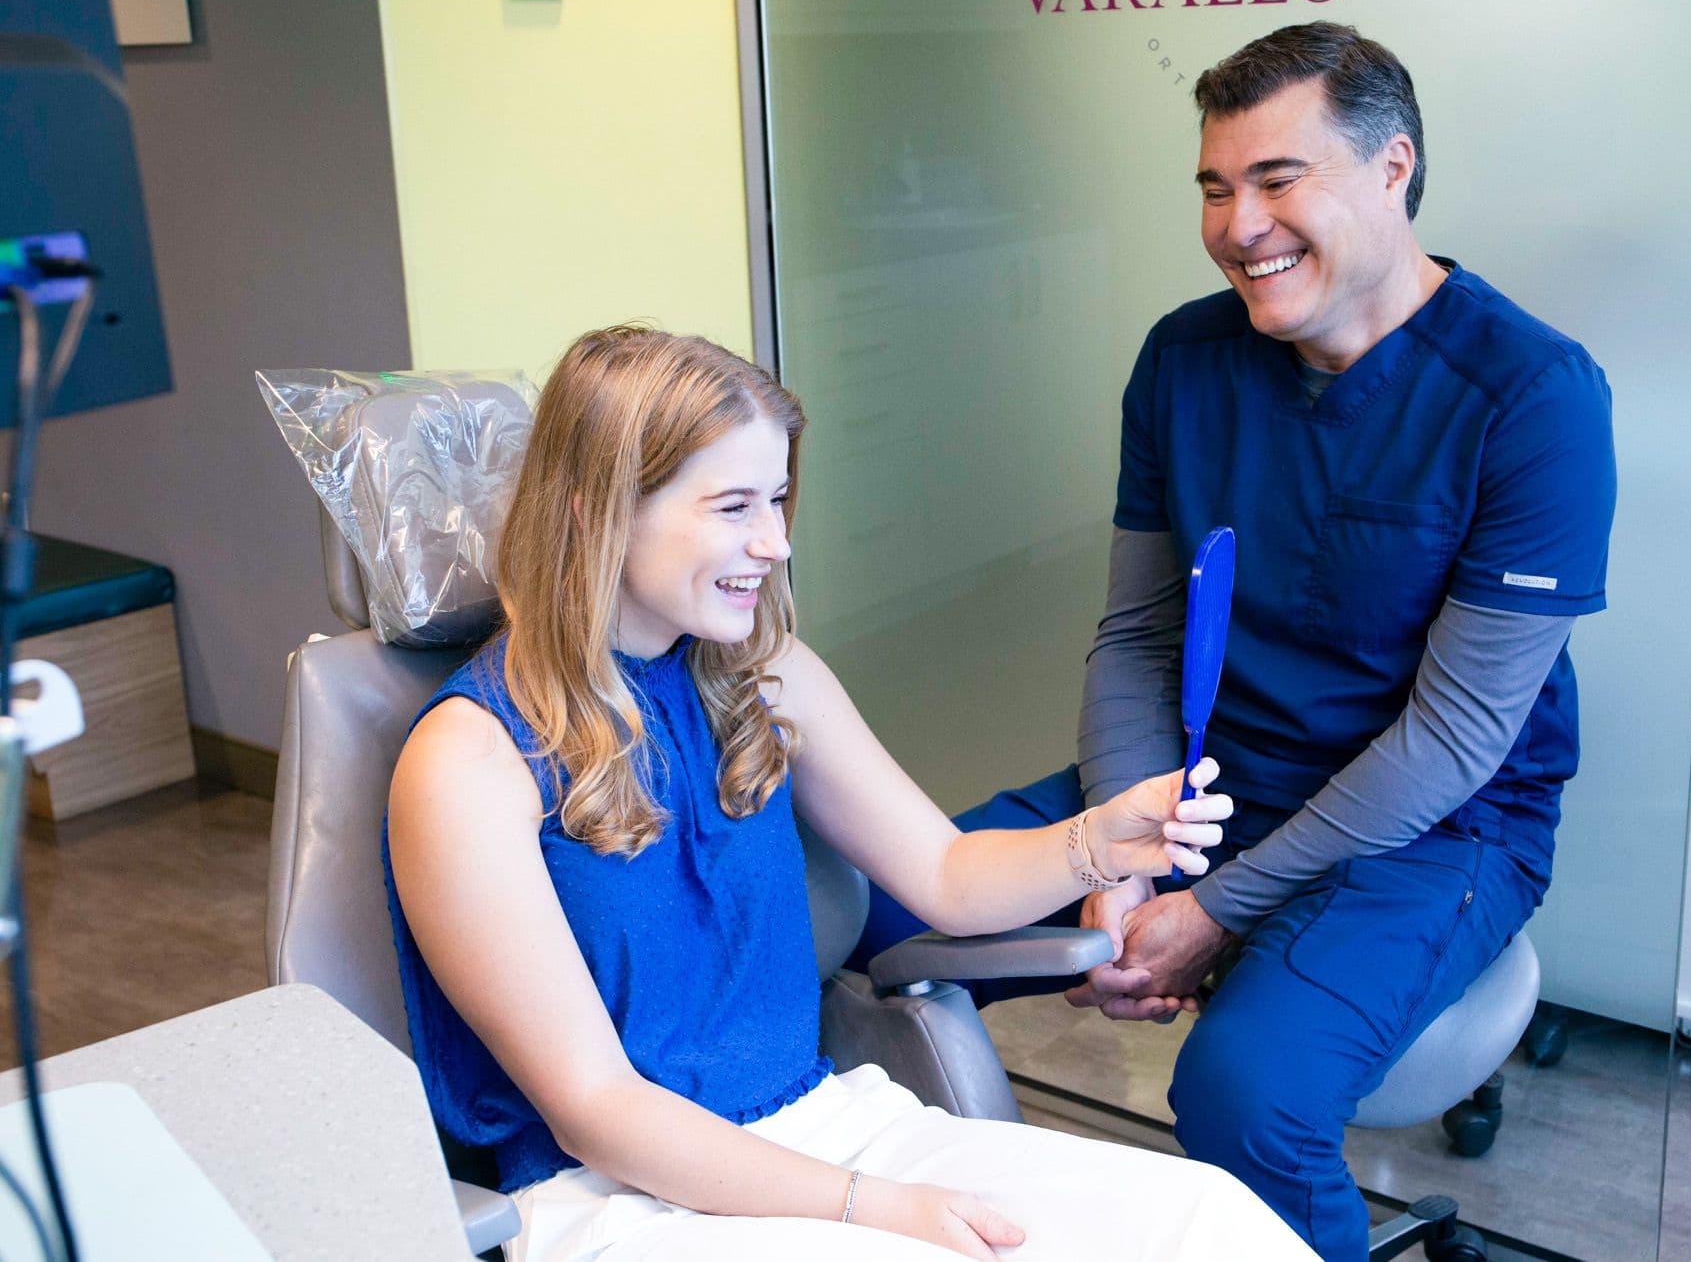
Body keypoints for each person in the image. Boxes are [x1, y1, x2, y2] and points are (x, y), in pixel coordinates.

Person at [852, 21, 1617, 1258]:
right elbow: (1138, 637)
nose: (1236, 224)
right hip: (1208, 785)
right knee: (870, 917)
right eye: (1213, 187)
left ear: (1391, 169)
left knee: (1244, 1096)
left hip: (1437, 830)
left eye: (1275, 179)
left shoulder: (1531, 398)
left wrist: (1206, 907)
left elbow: (1456, 738)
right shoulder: (1183, 359)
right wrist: (1121, 855)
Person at [383, 325, 1320, 1262]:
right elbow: (598, 1111)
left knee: (1204, 1218)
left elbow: (947, 875)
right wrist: (875, 1207)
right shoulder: (469, 761)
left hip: (831, 1126)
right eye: (734, 505)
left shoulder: (760, 675)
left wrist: (1098, 841)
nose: (775, 541)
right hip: (624, 1198)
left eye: (780, 498)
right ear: (597, 511)